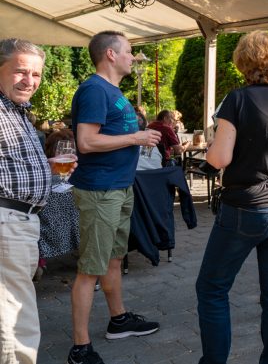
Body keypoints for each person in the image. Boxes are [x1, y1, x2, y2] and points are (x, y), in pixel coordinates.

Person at [195, 31, 268, 364]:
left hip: (250, 206)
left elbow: (219, 159)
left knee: (212, 288)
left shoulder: (238, 99)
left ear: (244, 61)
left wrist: (210, 155)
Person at [67, 31, 162, 364]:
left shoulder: (113, 91)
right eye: (129, 52)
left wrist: (136, 137)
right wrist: (136, 137)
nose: (133, 57)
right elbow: (87, 142)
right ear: (110, 54)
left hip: (119, 187)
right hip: (99, 190)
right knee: (90, 268)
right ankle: (80, 348)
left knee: (113, 259)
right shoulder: (94, 89)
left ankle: (118, 319)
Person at [0, 38, 56, 364]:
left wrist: (45, 170)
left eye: (35, 74)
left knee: (14, 306)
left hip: (21, 222)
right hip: (7, 222)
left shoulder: (16, 109)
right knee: (14, 314)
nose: (29, 81)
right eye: (21, 71)